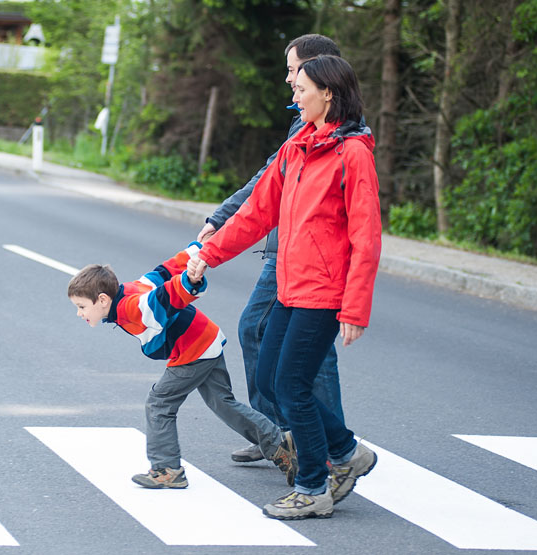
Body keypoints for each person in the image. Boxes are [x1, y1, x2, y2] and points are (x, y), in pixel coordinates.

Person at [188, 56, 380, 520]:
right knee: (275, 379)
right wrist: (207, 255)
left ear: (328, 94)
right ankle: (346, 449)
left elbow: (366, 236)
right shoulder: (297, 147)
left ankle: (314, 487)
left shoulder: (352, 152)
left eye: (302, 89)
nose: (294, 96)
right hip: (290, 286)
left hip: (324, 292)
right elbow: (257, 213)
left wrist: (355, 308)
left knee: (293, 386)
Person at [197, 35, 347, 464]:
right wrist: (221, 219)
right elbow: (269, 181)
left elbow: (361, 230)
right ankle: (284, 436)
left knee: (295, 349)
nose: (288, 80)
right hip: (286, 249)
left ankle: (314, 444)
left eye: (293, 71)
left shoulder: (337, 134)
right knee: (272, 339)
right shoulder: (302, 121)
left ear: (318, 73)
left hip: (306, 258)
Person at [66, 243, 297, 489]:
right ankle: (279, 444)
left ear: (102, 299)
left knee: (159, 403)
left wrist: (189, 280)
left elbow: (166, 295)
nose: (80, 313)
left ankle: (167, 469)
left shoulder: (132, 308)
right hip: (205, 339)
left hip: (194, 349)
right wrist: (198, 250)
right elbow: (164, 271)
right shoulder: (133, 289)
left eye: (81, 307)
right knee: (223, 403)